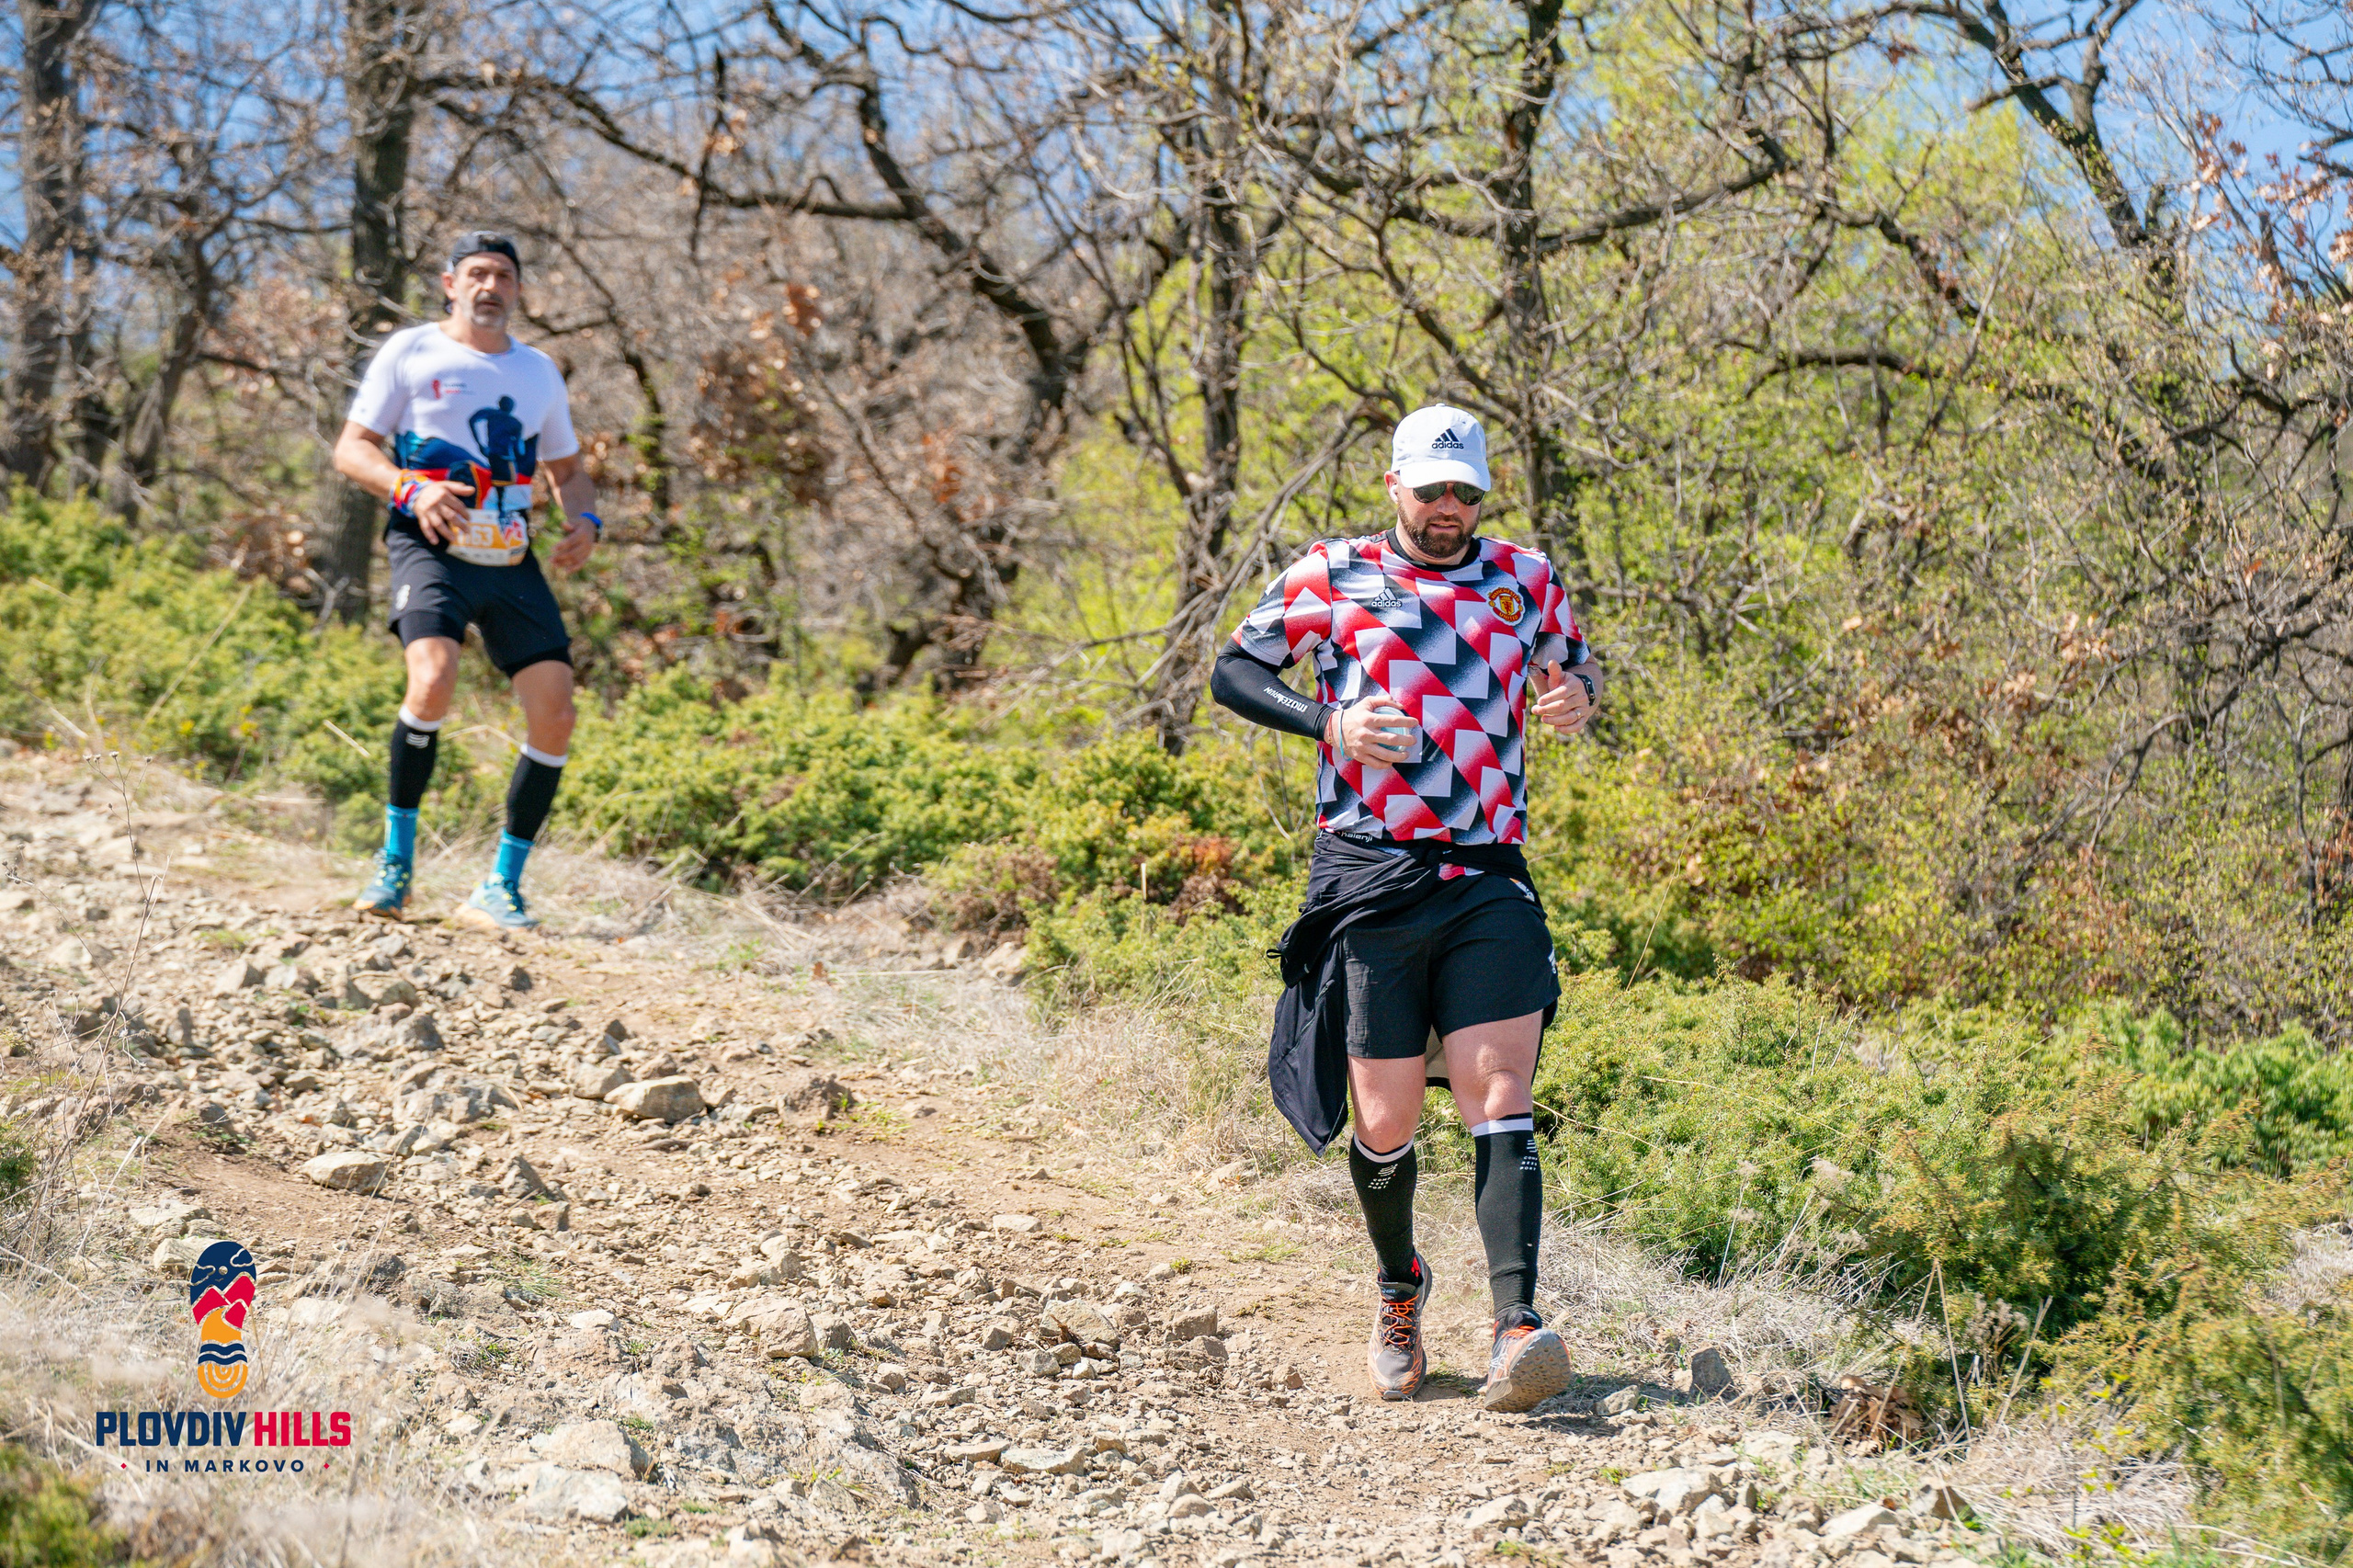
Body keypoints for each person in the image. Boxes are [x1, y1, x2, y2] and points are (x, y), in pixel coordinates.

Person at [1210, 403, 1605, 1412]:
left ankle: (1517, 1324)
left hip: (1484, 872)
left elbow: (1572, 663)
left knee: (1499, 1089)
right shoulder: (1331, 574)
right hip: (1369, 874)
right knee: (1383, 1120)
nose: (1447, 510)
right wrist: (1327, 720)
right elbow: (1233, 668)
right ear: (1394, 485)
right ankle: (1400, 1286)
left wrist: (1576, 696)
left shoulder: (1525, 577)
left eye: (1465, 492)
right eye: (1430, 491)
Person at [332, 231, 603, 932]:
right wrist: (409, 489)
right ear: (450, 283)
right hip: (431, 544)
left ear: (517, 290)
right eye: (477, 274)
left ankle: (501, 887)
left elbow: (568, 472)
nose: (491, 287)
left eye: (504, 276)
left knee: (557, 710)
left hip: (512, 558)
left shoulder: (539, 371)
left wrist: (586, 519)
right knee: (433, 677)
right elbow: (351, 449)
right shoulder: (412, 351)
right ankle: (395, 866)